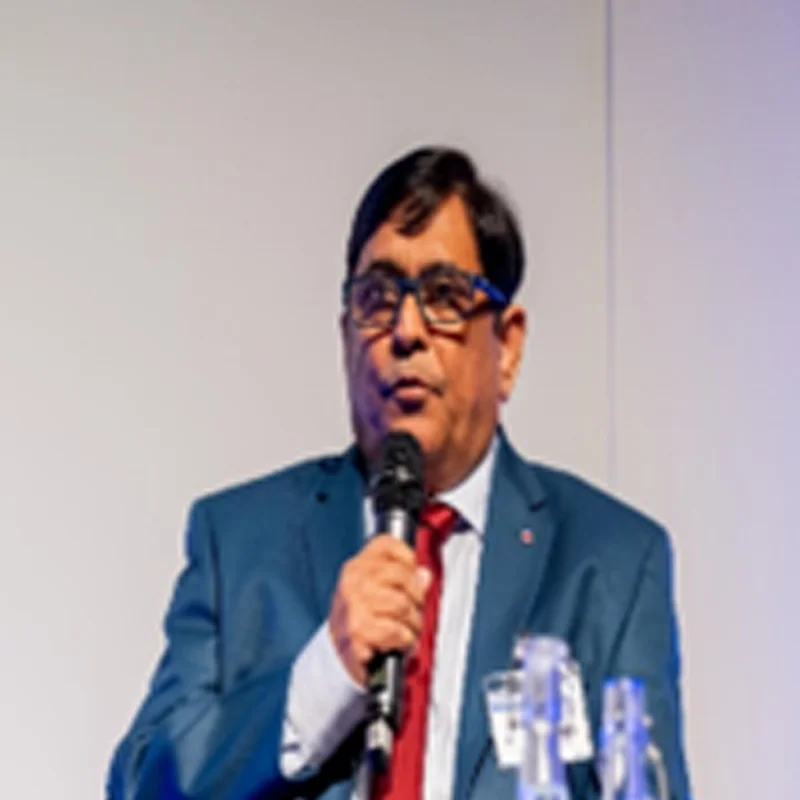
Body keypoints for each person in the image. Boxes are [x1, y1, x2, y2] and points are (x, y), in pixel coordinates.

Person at [107, 147, 691, 799]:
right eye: (377, 298)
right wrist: (324, 675)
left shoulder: (612, 562)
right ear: (345, 336)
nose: (406, 331)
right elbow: (139, 785)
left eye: (444, 296)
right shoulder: (239, 542)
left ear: (507, 346)